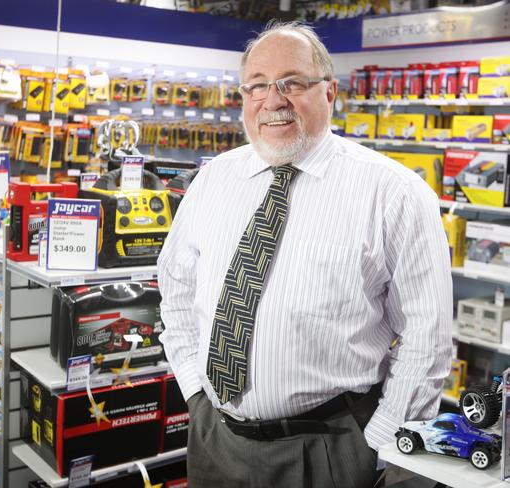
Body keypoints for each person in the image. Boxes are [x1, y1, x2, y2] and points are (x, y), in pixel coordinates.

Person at [157, 20, 452, 488]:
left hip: (326, 449)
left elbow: (427, 336)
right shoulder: (213, 180)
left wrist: (377, 441)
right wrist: (196, 391)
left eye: (291, 83)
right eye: (256, 86)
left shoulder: (392, 193)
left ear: (330, 92)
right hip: (215, 441)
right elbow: (176, 289)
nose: (272, 100)